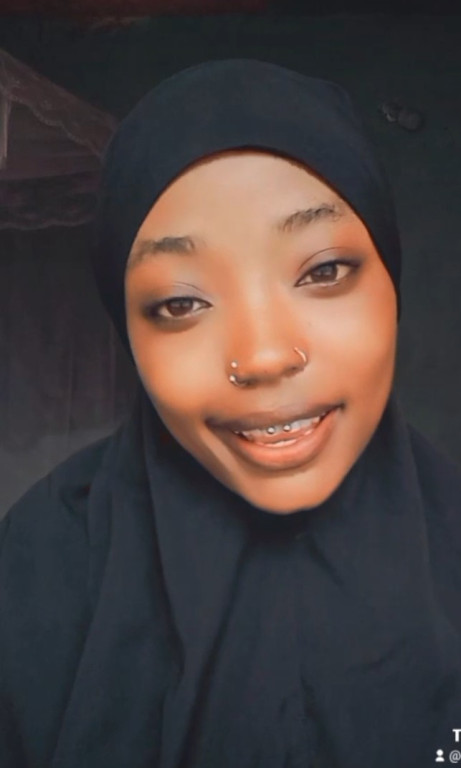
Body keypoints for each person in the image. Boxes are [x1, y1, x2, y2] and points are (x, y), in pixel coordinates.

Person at [1, 59, 461, 768]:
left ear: (391, 283)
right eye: (180, 303)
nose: (265, 356)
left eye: (323, 270)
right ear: (128, 331)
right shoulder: (32, 573)